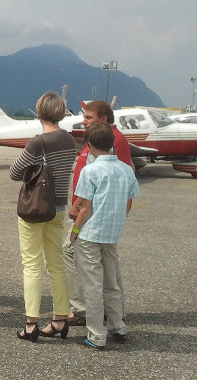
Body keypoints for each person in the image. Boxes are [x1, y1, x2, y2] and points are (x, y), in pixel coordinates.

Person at [9, 92, 76, 342]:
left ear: (39, 113)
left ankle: (31, 323)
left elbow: (16, 172)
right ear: (60, 113)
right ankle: (60, 319)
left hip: (35, 209)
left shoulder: (38, 142)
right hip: (58, 207)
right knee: (56, 264)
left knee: (31, 264)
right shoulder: (69, 140)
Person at [63, 101, 133, 327]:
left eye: (89, 117)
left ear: (103, 119)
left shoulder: (112, 141)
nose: (84, 120)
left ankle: (86, 310)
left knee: (71, 252)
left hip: (92, 217)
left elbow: (115, 178)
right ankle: (114, 315)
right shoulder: (103, 137)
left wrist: (80, 213)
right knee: (108, 263)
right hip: (94, 215)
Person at [70, 122, 140, 350]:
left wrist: (74, 232)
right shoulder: (126, 169)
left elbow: (85, 209)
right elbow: (131, 197)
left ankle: (96, 334)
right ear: (112, 144)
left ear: (89, 145)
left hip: (90, 234)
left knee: (92, 285)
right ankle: (118, 325)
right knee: (112, 282)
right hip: (112, 233)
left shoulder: (90, 171)